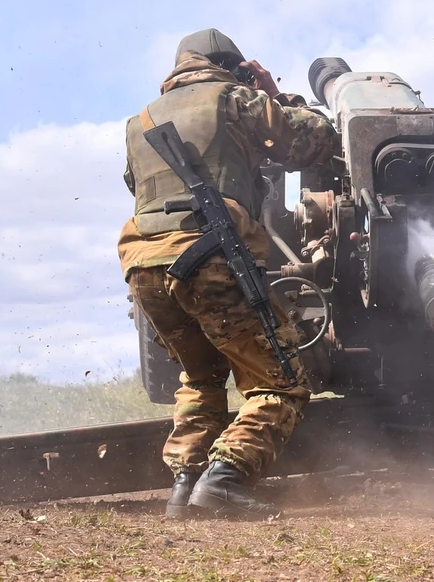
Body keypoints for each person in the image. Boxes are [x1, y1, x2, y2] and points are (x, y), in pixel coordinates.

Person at [117, 28, 340, 520]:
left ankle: (185, 486)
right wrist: (275, 96)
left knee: (201, 376)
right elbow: (314, 142)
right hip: (210, 255)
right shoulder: (236, 99)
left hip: (144, 265)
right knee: (281, 381)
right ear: (235, 68)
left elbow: (137, 185)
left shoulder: (140, 121)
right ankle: (225, 480)